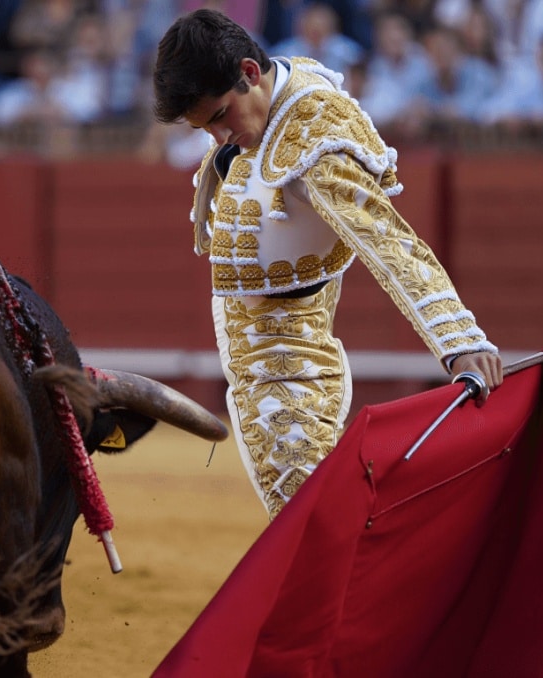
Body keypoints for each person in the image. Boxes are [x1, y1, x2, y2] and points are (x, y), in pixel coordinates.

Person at [152, 9, 503, 520]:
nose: (219, 136)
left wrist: (460, 342)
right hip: (265, 358)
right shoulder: (273, 92)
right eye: (205, 127)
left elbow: (388, 241)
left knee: (312, 523)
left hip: (290, 360)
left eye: (221, 115)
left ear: (250, 72)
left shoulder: (315, 140)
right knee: (320, 519)